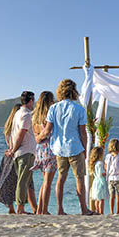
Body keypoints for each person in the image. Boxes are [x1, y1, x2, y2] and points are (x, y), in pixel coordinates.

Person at [38, 79, 95, 215]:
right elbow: (83, 133)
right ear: (74, 91)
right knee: (79, 178)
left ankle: (60, 209)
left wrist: (38, 138)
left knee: (60, 179)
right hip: (75, 147)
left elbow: (47, 130)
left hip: (59, 148)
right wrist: (86, 149)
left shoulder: (53, 108)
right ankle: (83, 209)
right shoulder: (79, 109)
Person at [6, 91, 38, 215]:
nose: (33, 103)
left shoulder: (17, 113)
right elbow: (21, 134)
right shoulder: (26, 115)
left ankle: (31, 208)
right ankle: (20, 209)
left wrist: (12, 149)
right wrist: (13, 149)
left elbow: (14, 134)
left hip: (20, 151)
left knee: (27, 181)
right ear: (30, 101)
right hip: (25, 151)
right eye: (33, 100)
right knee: (23, 181)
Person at [0, 104, 21, 214]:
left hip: (8, 156)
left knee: (8, 182)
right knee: (20, 182)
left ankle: (11, 208)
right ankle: (19, 208)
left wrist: (10, 149)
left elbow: (8, 142)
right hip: (16, 155)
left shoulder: (8, 127)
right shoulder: (18, 125)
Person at [31, 91, 56, 215]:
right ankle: (44, 210)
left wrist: (38, 137)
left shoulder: (35, 117)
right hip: (49, 149)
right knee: (48, 182)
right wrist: (42, 136)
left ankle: (40, 209)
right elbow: (46, 132)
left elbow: (35, 136)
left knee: (45, 181)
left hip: (40, 150)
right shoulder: (49, 116)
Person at [105, 138, 119, 215]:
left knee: (111, 196)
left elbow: (106, 166)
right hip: (118, 178)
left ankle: (111, 212)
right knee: (118, 196)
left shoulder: (107, 156)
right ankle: (118, 212)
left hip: (110, 178)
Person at [89, 146, 108, 214]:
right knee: (101, 199)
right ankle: (101, 212)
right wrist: (106, 171)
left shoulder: (94, 163)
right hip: (101, 181)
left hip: (96, 181)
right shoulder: (100, 163)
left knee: (97, 199)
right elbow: (101, 173)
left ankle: (97, 211)